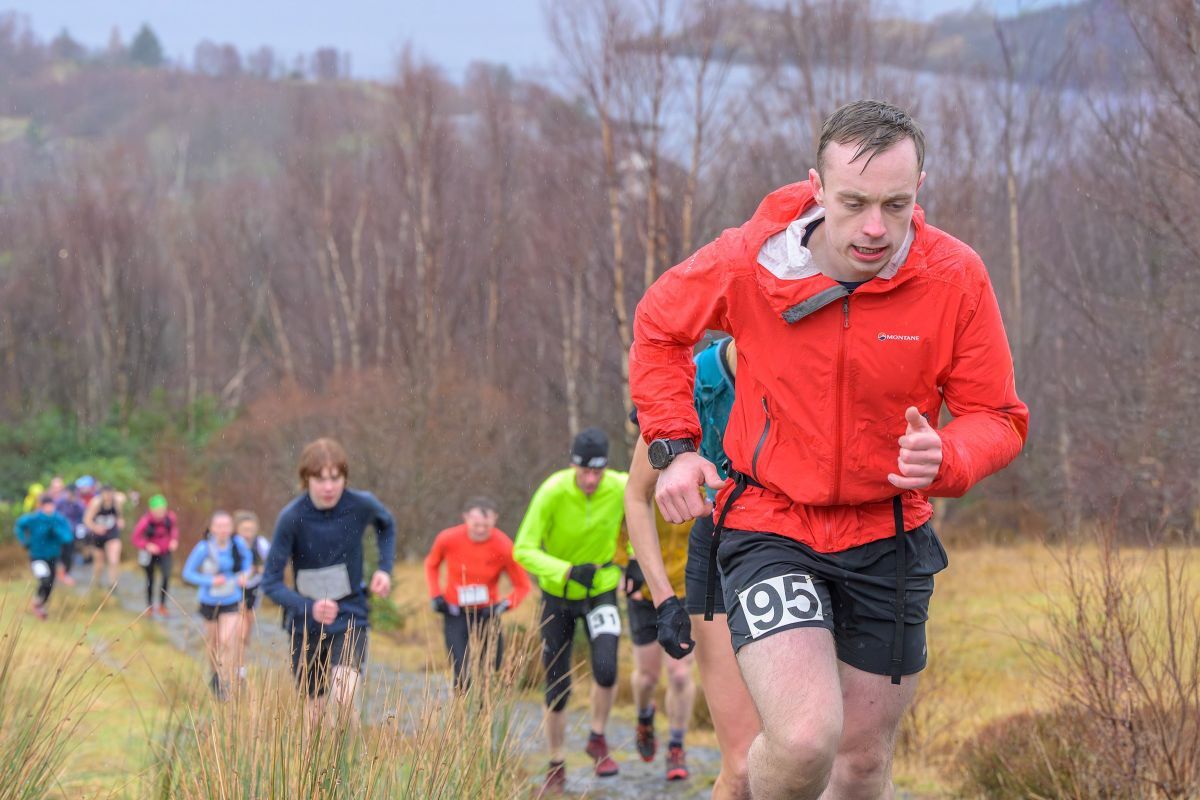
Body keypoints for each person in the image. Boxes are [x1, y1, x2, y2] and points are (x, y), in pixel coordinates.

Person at [630, 100, 1029, 800]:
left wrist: (949, 456)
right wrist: (677, 446)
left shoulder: (954, 276)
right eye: (854, 203)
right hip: (771, 524)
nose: (875, 227)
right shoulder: (749, 261)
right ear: (817, 188)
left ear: (919, 189)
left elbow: (996, 416)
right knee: (804, 738)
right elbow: (659, 327)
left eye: (895, 205)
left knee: (862, 762)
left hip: (888, 533)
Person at [625, 338, 759, 793]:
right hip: (719, 552)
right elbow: (636, 495)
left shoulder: (814, 363)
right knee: (744, 767)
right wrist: (664, 600)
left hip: (807, 551)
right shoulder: (695, 381)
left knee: (817, 760)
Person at [513, 427, 628, 794]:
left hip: (600, 589)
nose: (591, 480)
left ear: (606, 468)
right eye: (585, 472)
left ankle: (597, 738)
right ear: (573, 465)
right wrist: (565, 570)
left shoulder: (620, 486)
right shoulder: (553, 491)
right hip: (558, 595)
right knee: (558, 684)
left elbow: (641, 517)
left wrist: (635, 561)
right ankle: (556, 762)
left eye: (598, 472)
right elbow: (523, 549)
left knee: (607, 668)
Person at [261, 438, 396, 722]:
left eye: (335, 478)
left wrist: (384, 569)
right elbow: (270, 582)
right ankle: (320, 753)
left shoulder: (360, 504)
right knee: (315, 714)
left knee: (344, 697)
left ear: (345, 478)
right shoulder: (292, 518)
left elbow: (387, 525)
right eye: (320, 479)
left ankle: (348, 752)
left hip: (349, 612)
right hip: (306, 621)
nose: (328, 487)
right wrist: (309, 606)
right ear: (305, 479)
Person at [424, 496, 531, 691]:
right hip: (455, 613)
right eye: (476, 525)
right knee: (462, 672)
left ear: (495, 519)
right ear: (465, 518)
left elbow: (523, 585)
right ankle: (460, 708)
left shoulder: (504, 545)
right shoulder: (447, 538)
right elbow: (431, 565)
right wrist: (436, 595)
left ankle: (485, 709)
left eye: (486, 525)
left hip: (487, 614)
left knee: (490, 671)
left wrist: (505, 604)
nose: (481, 530)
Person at [182, 511, 253, 698]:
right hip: (209, 602)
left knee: (227, 641)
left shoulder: (237, 544)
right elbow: (187, 573)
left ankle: (224, 681)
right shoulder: (203, 548)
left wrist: (244, 574)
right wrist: (210, 581)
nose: (223, 530)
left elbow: (248, 561)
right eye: (219, 526)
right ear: (212, 528)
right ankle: (214, 674)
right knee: (213, 644)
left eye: (226, 526)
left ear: (231, 528)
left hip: (232, 599)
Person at [14, 495, 74, 620]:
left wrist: (56, 531)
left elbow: (67, 537)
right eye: (46, 506)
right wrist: (24, 541)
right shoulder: (34, 519)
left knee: (50, 583)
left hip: (53, 556)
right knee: (45, 579)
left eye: (51, 506)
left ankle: (40, 604)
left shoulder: (59, 519)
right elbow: (19, 526)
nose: (49, 509)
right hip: (37, 556)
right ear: (41, 507)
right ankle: (37, 604)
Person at [233, 510, 271, 671]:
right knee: (239, 627)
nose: (248, 534)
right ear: (237, 529)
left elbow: (273, 563)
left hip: (255, 588)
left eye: (251, 530)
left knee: (247, 627)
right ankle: (236, 665)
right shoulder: (233, 543)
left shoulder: (261, 544)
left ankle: (241, 660)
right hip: (235, 589)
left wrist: (259, 569)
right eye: (244, 530)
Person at [131, 494, 179, 617]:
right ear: (151, 510)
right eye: (157, 510)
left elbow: (174, 530)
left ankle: (162, 605)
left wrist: (174, 540)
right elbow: (135, 538)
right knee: (150, 579)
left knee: (166, 576)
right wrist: (147, 545)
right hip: (149, 554)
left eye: (162, 510)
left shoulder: (170, 518)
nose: (160, 513)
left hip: (165, 552)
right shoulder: (145, 521)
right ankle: (149, 607)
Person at [83, 484, 124, 587]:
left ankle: (113, 584)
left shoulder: (116, 501)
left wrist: (120, 520)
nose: (108, 496)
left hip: (112, 533)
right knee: (99, 562)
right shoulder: (96, 503)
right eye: (105, 494)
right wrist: (95, 528)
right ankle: (96, 582)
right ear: (101, 494)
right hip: (98, 535)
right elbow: (87, 520)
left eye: (110, 494)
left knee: (113, 560)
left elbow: (119, 513)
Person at [54, 484, 87, 586]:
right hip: (58, 534)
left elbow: (83, 517)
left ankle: (65, 574)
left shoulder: (79, 504)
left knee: (68, 555)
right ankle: (57, 574)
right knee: (57, 554)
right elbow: (54, 515)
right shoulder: (59, 503)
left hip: (71, 534)